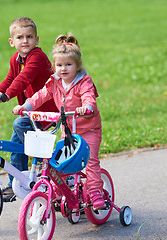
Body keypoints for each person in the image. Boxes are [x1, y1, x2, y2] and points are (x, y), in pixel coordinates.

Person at [12, 34, 105, 210]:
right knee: (59, 163)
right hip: (67, 130)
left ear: (77, 66)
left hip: (88, 129)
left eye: (68, 64)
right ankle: (58, 191)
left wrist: (87, 107)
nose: (63, 69)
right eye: (59, 65)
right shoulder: (54, 81)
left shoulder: (84, 81)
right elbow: (40, 96)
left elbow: (88, 97)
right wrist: (26, 106)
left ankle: (95, 192)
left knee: (91, 161)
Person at [0, 17, 57, 201]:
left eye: (29, 36)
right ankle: (16, 184)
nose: (25, 41)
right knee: (15, 146)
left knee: (20, 125)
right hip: (31, 111)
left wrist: (7, 95)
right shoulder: (16, 59)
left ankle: (45, 163)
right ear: (12, 42)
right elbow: (10, 79)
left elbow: (23, 79)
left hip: (46, 111)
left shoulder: (38, 57)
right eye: (20, 37)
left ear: (37, 40)